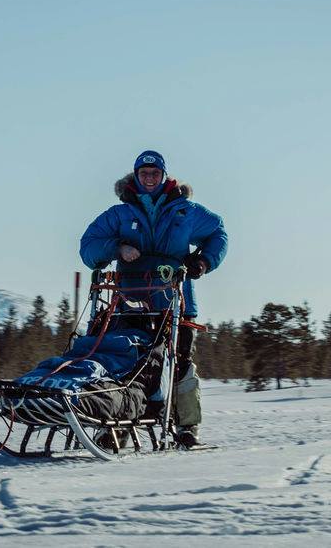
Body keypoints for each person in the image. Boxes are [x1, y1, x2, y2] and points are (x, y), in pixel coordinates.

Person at [79, 150, 228, 447]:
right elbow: (88, 247)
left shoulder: (185, 210)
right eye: (143, 173)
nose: (149, 178)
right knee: (124, 361)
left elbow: (218, 233)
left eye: (154, 173)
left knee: (180, 363)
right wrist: (117, 248)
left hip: (177, 299)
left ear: (164, 176)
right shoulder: (119, 214)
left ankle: (187, 427)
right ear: (135, 176)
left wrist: (203, 262)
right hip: (128, 301)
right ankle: (116, 425)